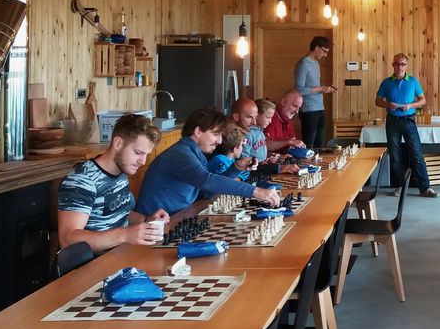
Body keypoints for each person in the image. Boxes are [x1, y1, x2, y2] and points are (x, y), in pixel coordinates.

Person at [136, 107, 281, 216]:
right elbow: (206, 181)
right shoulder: (180, 154)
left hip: (177, 218)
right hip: (154, 226)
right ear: (198, 132)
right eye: (216, 134)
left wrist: (235, 168)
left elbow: (208, 192)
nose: (219, 141)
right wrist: (256, 192)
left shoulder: (194, 153)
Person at [57, 113, 166, 251]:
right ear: (118, 143)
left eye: (146, 154)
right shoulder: (81, 180)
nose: (143, 161)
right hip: (96, 263)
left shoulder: (121, 170)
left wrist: (147, 221)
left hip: (122, 254)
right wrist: (125, 235)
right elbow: (67, 240)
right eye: (138, 153)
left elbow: (117, 215)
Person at [375, 53, 440, 197]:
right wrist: (388, 104)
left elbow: (422, 100)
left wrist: (411, 105)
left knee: (417, 154)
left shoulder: (413, 81)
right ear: (393, 65)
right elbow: (377, 101)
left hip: (409, 121)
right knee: (395, 156)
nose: (400, 67)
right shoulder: (386, 82)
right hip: (392, 121)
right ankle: (400, 186)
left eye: (403, 64)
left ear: (406, 66)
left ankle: (425, 188)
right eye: (397, 64)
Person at [295, 36, 336, 149]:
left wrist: (327, 87)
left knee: (319, 144)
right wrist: (321, 89)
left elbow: (314, 85)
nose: (325, 55)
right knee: (309, 144)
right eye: (324, 51)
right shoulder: (303, 64)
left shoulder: (316, 63)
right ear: (316, 47)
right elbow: (299, 90)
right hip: (308, 110)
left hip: (319, 107)